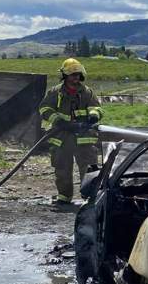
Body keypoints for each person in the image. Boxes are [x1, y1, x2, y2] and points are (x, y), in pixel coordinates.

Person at [39, 58, 102, 207]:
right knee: (62, 169)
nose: (76, 78)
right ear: (65, 76)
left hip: (84, 138)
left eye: (78, 75)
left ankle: (90, 198)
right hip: (62, 137)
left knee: (89, 169)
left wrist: (93, 116)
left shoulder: (87, 92)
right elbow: (44, 109)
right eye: (73, 75)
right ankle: (64, 198)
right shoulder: (56, 92)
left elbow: (96, 108)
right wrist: (59, 122)